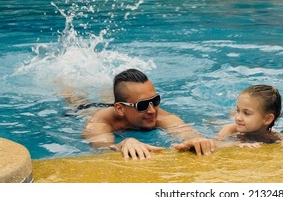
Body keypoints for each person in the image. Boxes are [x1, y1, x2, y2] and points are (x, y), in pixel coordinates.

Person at [80, 68, 215, 160]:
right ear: (120, 109)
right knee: (78, 102)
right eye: (142, 105)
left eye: (155, 101)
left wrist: (195, 140)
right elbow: (102, 150)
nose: (151, 110)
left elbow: (187, 133)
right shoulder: (98, 124)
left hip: (123, 104)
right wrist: (123, 143)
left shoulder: (161, 116)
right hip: (87, 109)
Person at [216, 84, 283, 147]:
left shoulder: (272, 135)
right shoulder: (230, 129)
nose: (238, 118)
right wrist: (237, 144)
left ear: (267, 119)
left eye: (247, 113)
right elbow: (216, 144)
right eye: (238, 110)